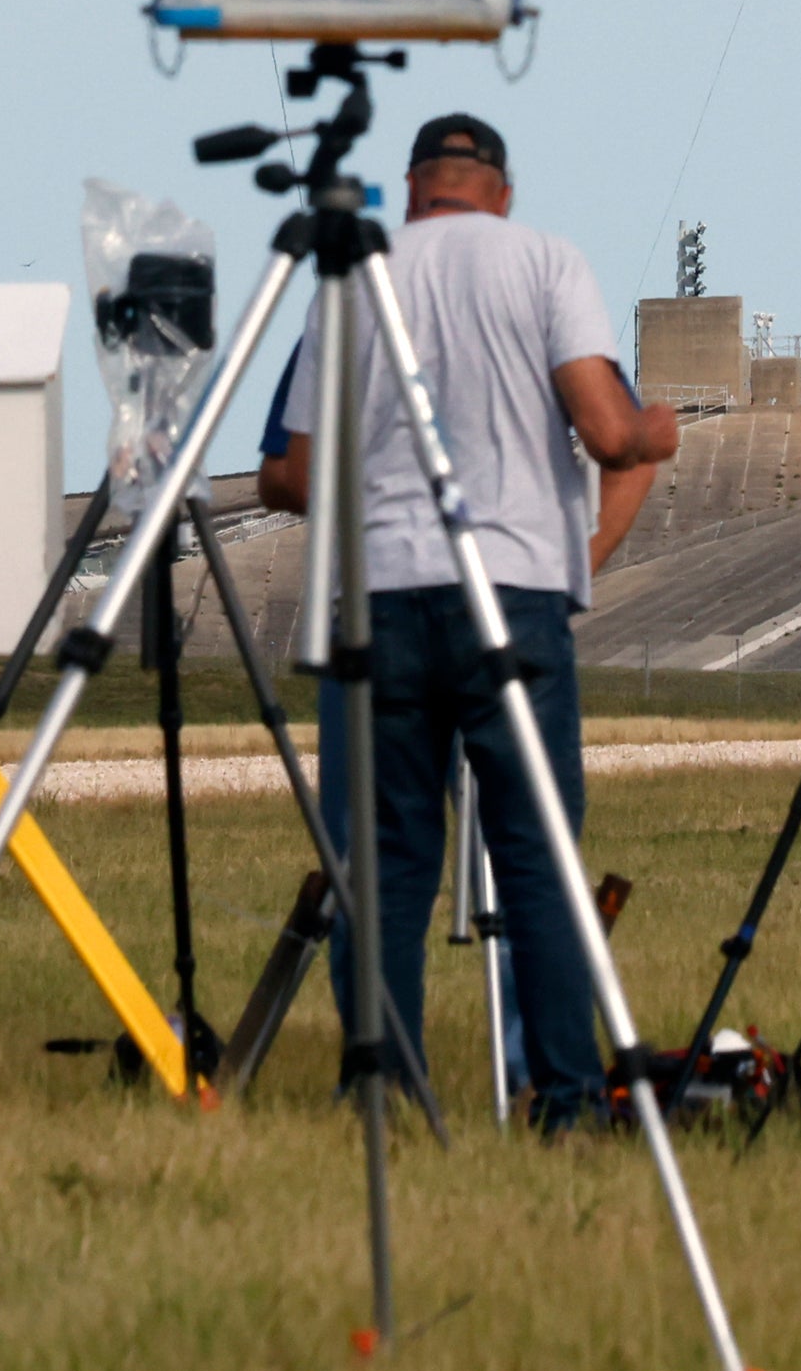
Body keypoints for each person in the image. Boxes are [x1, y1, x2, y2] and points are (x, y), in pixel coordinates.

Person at [252, 112, 678, 1125]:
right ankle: (564, 1098)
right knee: (536, 857)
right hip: (513, 595)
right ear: (501, 192)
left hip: (382, 599)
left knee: (388, 862)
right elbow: (607, 430)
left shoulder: (353, 278)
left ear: (410, 190)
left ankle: (386, 1096)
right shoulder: (546, 262)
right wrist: (651, 431)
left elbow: (296, 475)